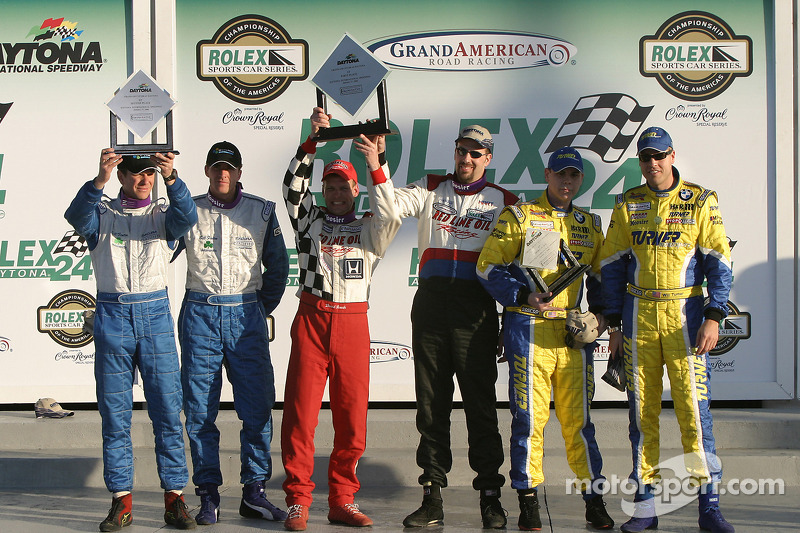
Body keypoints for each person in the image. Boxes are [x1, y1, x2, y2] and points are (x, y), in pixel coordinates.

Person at [599, 127, 734, 533]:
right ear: (639, 162)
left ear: (672, 155)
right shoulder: (627, 203)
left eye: (659, 155)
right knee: (643, 417)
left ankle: (708, 508)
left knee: (695, 415)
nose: (652, 163)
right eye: (645, 157)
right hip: (639, 315)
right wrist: (616, 324)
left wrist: (714, 316)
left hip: (686, 317)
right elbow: (611, 266)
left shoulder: (700, 199)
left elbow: (719, 262)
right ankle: (645, 506)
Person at [476, 147, 615, 531]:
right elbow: (487, 267)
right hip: (529, 329)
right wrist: (523, 296)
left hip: (572, 335)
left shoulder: (591, 222)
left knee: (579, 422)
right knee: (529, 421)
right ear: (547, 175)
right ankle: (528, 501)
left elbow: (602, 279)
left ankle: (594, 500)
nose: (566, 182)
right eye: (560, 175)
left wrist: (602, 317)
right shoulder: (520, 215)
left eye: (573, 176)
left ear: (581, 180)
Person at [280, 108, 402, 531]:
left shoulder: (371, 228)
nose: (335, 194)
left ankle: (342, 500)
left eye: (343, 186)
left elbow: (391, 213)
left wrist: (375, 163)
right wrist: (313, 140)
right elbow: (292, 188)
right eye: (329, 186)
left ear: (355, 189)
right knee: (300, 415)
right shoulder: (309, 222)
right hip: (312, 320)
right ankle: (298, 499)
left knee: (352, 420)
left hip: (352, 324)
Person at [64, 149, 198, 531]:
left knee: (169, 414)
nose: (144, 180)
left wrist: (173, 179)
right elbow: (75, 216)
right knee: (115, 416)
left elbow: (187, 216)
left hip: (154, 313)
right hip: (112, 314)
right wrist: (99, 180)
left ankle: (175, 500)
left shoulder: (163, 212)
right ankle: (121, 501)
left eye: (150, 174)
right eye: (137, 174)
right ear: (122, 176)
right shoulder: (101, 213)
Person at [393, 125, 518, 529]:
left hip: (476, 310)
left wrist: (509, 321)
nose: (466, 159)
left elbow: (520, 271)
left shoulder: (506, 202)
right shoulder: (430, 187)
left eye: (475, 153)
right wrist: (376, 163)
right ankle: (432, 495)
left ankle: (490, 497)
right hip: (430, 303)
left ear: (488, 158)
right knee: (431, 405)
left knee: (481, 405)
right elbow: (388, 206)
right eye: (462, 151)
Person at [174, 141, 289, 525]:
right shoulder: (187, 209)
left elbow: (278, 268)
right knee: (199, 412)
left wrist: (256, 309)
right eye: (216, 168)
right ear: (207, 171)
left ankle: (254, 490)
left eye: (230, 168)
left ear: (239, 173)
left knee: (257, 409)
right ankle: (208, 494)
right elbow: (155, 248)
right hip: (200, 314)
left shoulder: (262, 210)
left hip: (245, 315)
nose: (223, 174)